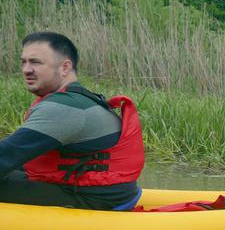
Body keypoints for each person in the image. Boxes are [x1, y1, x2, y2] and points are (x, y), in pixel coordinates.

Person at [0, 32, 144, 210]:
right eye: (24, 62)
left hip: (93, 200)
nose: (26, 69)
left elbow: (6, 155)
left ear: (65, 67)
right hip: (108, 192)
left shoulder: (63, 108)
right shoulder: (78, 99)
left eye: (35, 62)